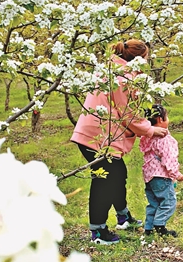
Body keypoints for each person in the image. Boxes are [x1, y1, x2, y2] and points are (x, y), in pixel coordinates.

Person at [71, 39, 168, 245]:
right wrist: (151, 130)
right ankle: (98, 231)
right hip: (100, 137)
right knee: (105, 181)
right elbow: (128, 114)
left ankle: (123, 217)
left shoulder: (110, 69)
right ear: (138, 59)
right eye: (146, 60)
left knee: (117, 174)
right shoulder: (123, 78)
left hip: (96, 132)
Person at [140, 104, 183, 237]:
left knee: (154, 202)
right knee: (168, 202)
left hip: (149, 176)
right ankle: (160, 226)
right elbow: (169, 159)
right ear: (161, 119)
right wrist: (176, 174)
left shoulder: (147, 136)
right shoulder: (164, 138)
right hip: (161, 176)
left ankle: (148, 229)